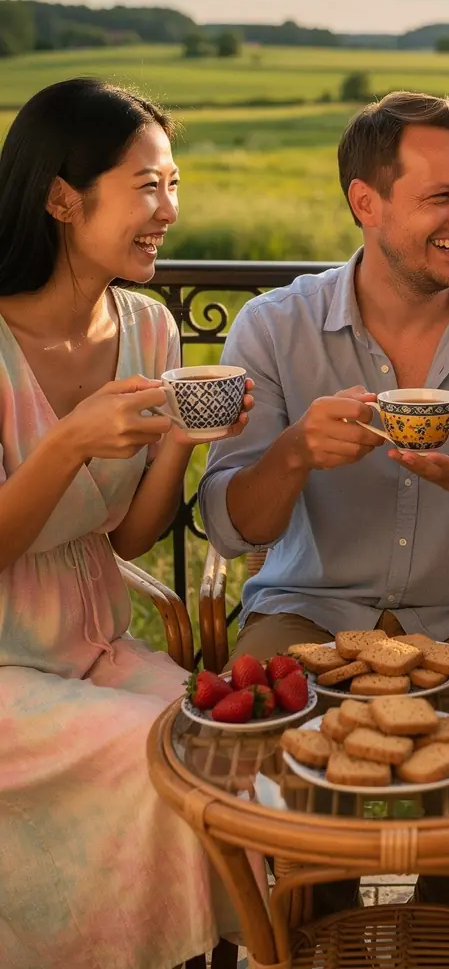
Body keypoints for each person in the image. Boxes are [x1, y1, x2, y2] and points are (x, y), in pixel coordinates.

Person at [0, 78, 253, 969]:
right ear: (64, 197)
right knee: (156, 758)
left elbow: (128, 540)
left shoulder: (149, 329)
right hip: (7, 672)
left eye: (174, 184)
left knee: (225, 750)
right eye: (148, 185)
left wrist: (186, 437)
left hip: (97, 646)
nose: (169, 210)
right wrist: (67, 441)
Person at [199, 90, 449, 663]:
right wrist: (294, 452)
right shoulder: (274, 327)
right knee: (261, 726)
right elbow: (230, 531)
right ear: (366, 203)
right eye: (442, 197)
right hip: (304, 613)